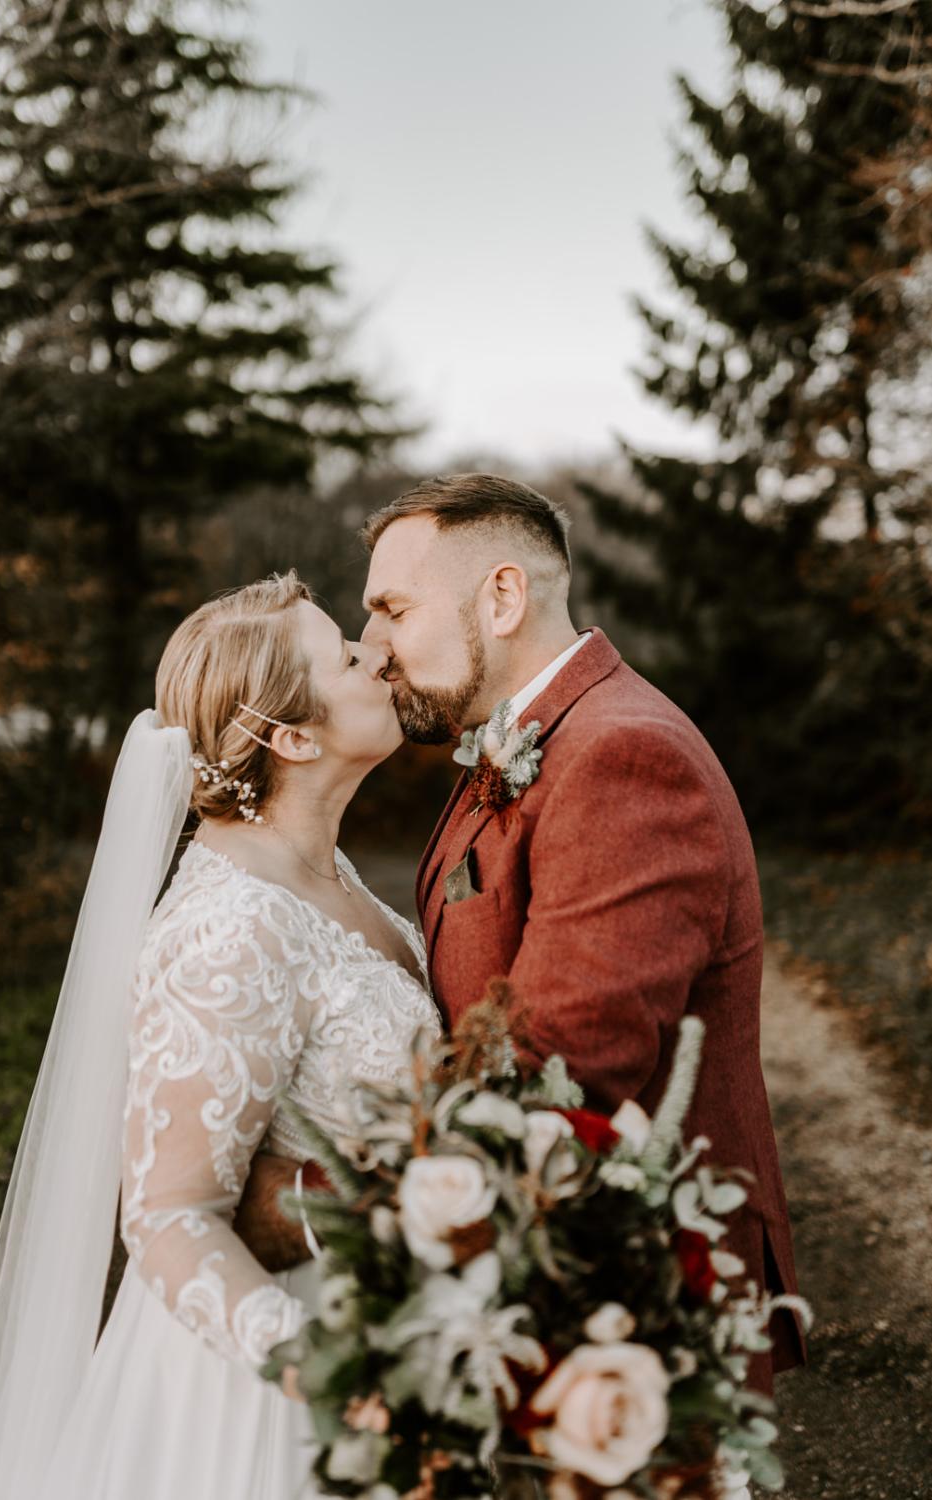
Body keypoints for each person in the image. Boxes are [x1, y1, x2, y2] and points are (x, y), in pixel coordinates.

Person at [239, 473, 805, 1394]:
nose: (373, 648)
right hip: (525, 1288)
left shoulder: (623, 757)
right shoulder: (514, 744)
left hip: (626, 1312)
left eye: (393, 608)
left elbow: (556, 1077)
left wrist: (296, 1202)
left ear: (501, 596)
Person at [0, 573, 440, 1500]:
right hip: (274, 1391)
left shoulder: (324, 873)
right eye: (344, 654)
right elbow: (169, 1217)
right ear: (292, 737)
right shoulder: (229, 926)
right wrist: (326, 1373)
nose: (376, 652)